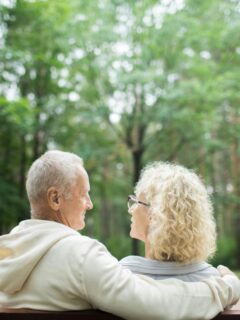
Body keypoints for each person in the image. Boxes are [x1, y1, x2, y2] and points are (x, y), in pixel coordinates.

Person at [0, 151, 239, 320]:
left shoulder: (9, 252)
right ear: (55, 199)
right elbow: (155, 304)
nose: (90, 204)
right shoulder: (80, 256)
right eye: (84, 194)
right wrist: (226, 287)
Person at [120, 162, 220, 281]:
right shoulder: (213, 279)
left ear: (156, 214)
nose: (132, 210)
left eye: (137, 202)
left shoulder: (126, 275)